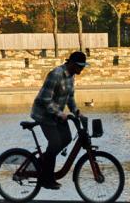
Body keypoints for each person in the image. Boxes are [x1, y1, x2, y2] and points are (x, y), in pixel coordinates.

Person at [30, 51, 88, 190]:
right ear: (72, 63)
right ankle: (46, 179)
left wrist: (77, 112)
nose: (82, 69)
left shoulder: (71, 76)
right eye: (80, 66)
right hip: (44, 114)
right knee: (55, 143)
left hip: (56, 115)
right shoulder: (56, 74)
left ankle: (41, 164)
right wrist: (59, 113)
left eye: (83, 66)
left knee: (66, 138)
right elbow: (45, 99)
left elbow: (70, 97)